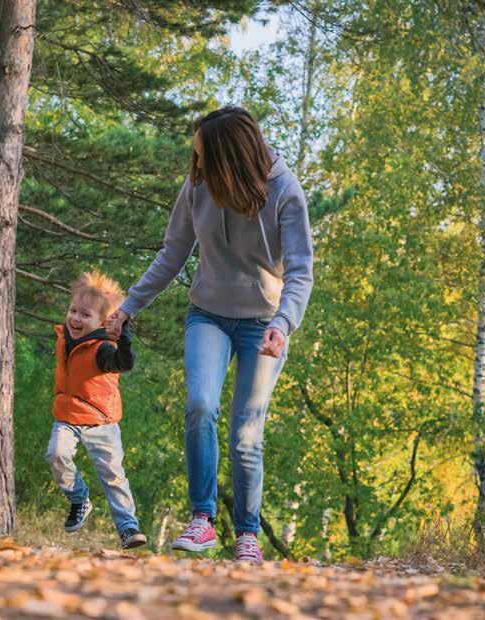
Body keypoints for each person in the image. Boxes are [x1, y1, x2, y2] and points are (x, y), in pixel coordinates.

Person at [106, 107, 313, 562]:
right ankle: (202, 520)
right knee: (201, 404)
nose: (195, 168)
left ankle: (247, 534)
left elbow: (300, 272)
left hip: (265, 325)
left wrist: (283, 323)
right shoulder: (198, 185)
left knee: (245, 434)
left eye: (202, 158)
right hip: (209, 315)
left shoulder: (284, 190)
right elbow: (173, 253)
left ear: (229, 159)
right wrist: (128, 307)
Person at [46, 271, 147, 549]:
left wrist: (123, 337)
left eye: (85, 315)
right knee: (56, 454)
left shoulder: (103, 348)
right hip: (67, 415)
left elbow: (123, 363)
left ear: (101, 321)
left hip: (101, 422)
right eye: (73, 311)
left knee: (113, 476)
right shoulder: (65, 339)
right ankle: (79, 498)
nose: (76, 319)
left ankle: (128, 528)